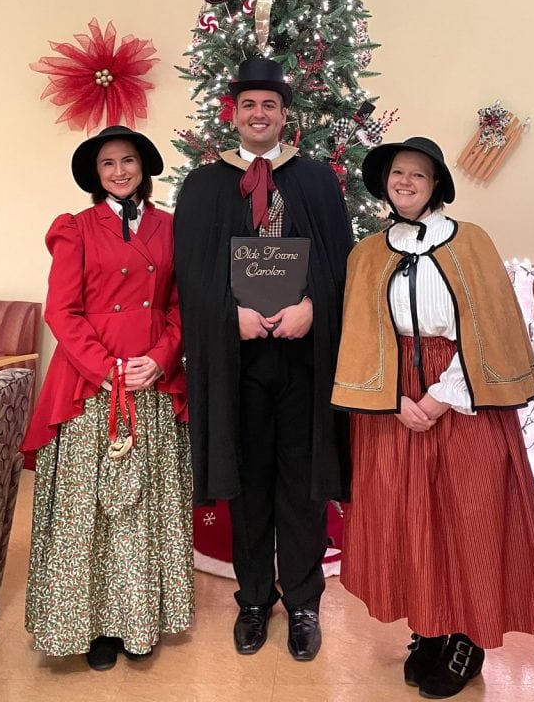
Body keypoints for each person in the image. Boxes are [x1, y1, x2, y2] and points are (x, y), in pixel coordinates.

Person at [332, 137, 534, 699]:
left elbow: (492, 331)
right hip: (394, 398)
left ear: (436, 184)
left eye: (417, 174)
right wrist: (396, 400)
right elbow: (366, 340)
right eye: (396, 173)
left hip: (465, 390)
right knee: (411, 515)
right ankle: (429, 626)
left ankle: (467, 634)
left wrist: (439, 396)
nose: (405, 182)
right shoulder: (368, 253)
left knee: (469, 512)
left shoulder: (471, 242)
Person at [173, 57, 352, 661]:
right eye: (249, 105)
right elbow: (192, 280)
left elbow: (340, 267)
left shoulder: (317, 182)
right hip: (237, 364)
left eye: (269, 106)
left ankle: (302, 601)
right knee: (247, 483)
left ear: (284, 115)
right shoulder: (203, 186)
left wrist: (313, 310)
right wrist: (232, 318)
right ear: (235, 112)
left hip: (303, 361)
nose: (258, 115)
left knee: (303, 486)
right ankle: (254, 599)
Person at [22, 125, 194, 671]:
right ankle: (93, 623)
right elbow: (62, 313)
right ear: (96, 176)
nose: (119, 171)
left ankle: (138, 620)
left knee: (144, 507)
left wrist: (163, 357)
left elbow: (179, 306)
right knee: (91, 508)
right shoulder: (74, 229)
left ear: (143, 166)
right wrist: (106, 369)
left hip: (151, 380)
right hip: (91, 385)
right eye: (107, 165)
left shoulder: (171, 228)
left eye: (127, 161)